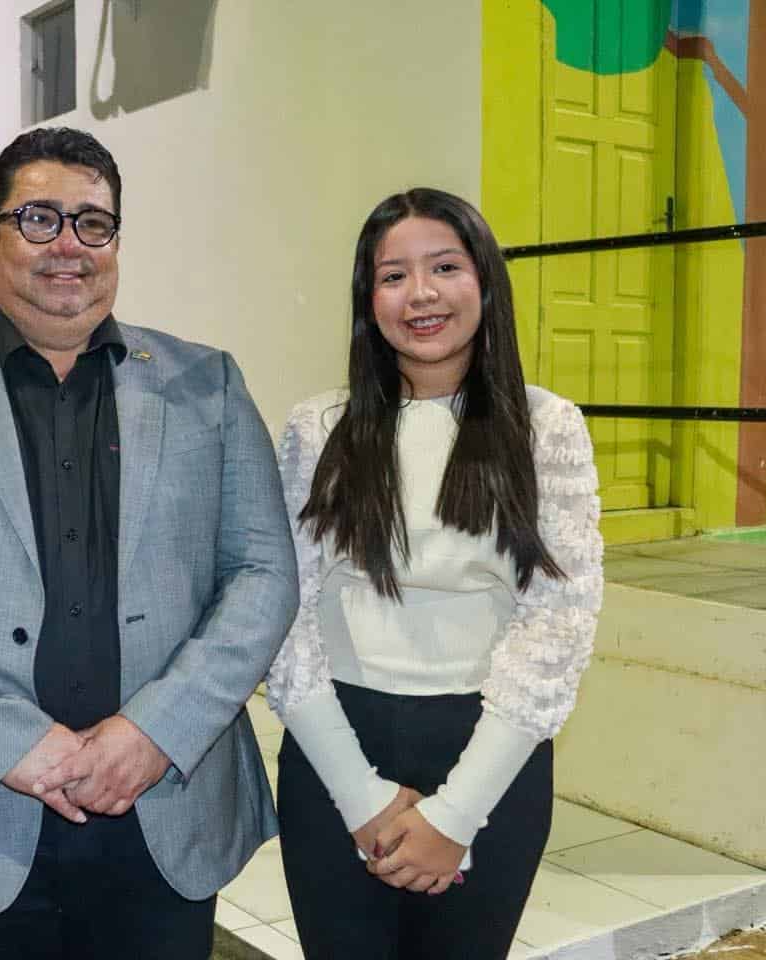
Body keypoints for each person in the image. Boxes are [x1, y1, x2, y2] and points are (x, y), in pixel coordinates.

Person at [0, 126, 299, 959]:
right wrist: (7, 742)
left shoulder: (207, 382)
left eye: (92, 223)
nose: (68, 244)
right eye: (38, 219)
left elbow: (263, 573)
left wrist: (156, 732)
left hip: (160, 807)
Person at [266, 187, 603, 958]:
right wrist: (361, 797)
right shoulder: (319, 427)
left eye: (445, 267)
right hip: (336, 745)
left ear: (485, 281)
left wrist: (455, 816)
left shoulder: (546, 426)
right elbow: (285, 619)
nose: (420, 294)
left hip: (490, 752)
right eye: (394, 276)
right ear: (369, 299)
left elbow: (558, 627)